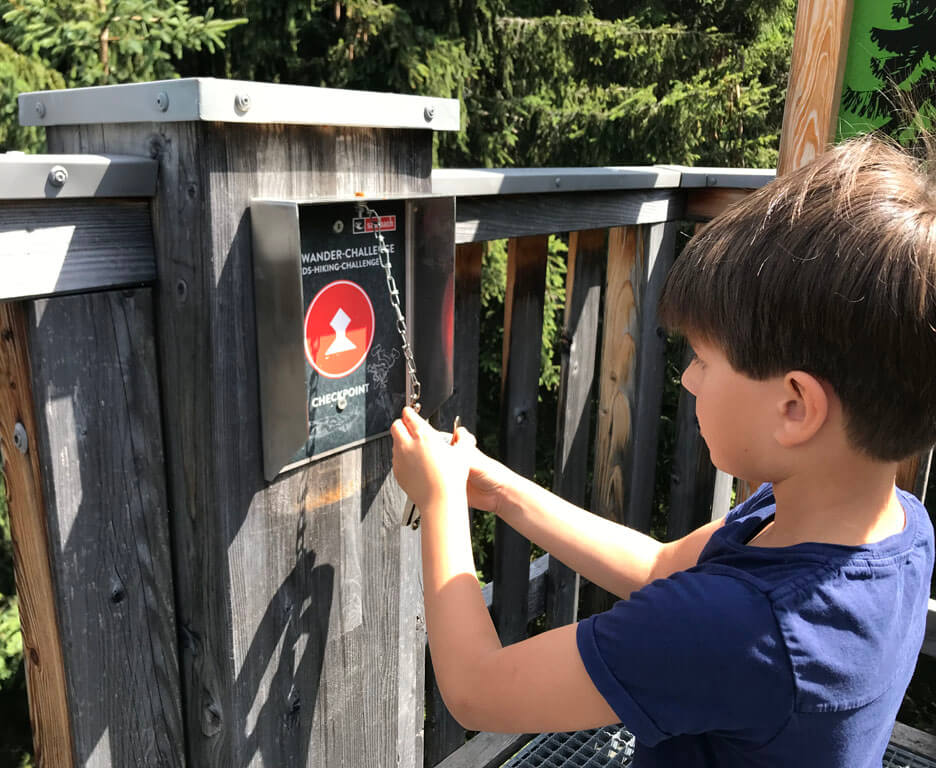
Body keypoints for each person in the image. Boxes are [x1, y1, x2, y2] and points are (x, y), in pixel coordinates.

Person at [390, 134, 936, 767]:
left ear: (796, 407)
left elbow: (477, 689)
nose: (688, 379)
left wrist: (438, 504)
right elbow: (658, 566)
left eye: (703, 360)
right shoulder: (895, 527)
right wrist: (503, 491)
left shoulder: (740, 629)